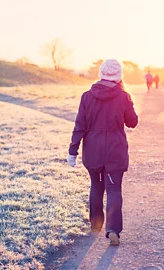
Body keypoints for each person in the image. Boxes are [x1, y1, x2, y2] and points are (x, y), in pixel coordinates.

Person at [67, 59, 139, 246]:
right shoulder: (124, 96)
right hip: (115, 151)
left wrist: (72, 151)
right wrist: (129, 101)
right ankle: (113, 229)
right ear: (119, 76)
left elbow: (79, 126)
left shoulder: (86, 96)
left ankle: (96, 224)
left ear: (101, 74)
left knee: (96, 186)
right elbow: (132, 122)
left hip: (93, 151)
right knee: (114, 188)